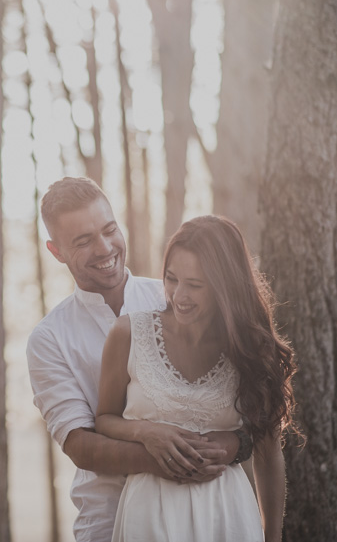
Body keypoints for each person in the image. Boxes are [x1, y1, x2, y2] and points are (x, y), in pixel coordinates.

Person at [26, 177, 247, 542]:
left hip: (206, 510)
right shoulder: (49, 339)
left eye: (109, 229)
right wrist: (165, 452)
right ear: (56, 251)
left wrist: (230, 446)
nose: (104, 247)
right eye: (83, 241)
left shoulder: (175, 294)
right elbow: (80, 444)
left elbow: (235, 397)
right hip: (107, 518)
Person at [95, 215, 296, 542]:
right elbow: (104, 419)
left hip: (227, 518)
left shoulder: (250, 349)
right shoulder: (128, 333)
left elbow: (269, 453)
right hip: (148, 517)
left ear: (225, 285)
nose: (179, 296)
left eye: (196, 284)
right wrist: (146, 431)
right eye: (172, 279)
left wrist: (272, 538)